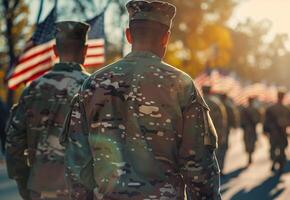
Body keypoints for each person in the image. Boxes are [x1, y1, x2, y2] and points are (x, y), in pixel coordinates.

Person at [61, 1, 221, 199]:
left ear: (128, 35)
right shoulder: (181, 85)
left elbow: (77, 162)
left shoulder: (93, 84)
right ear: (166, 38)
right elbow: (199, 167)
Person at [6, 21, 90, 200]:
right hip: (83, 190)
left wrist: (24, 183)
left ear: (55, 50)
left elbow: (14, 141)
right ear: (85, 50)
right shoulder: (94, 88)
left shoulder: (33, 89)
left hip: (41, 188)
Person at [263, 90, 290, 173]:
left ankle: (276, 163)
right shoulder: (286, 109)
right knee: (281, 149)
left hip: (274, 133)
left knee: (274, 149)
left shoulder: (271, 108)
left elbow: (266, 121)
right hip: (281, 133)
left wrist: (265, 130)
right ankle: (279, 164)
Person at [202, 87, 228, 174]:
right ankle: (217, 170)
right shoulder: (216, 103)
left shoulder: (196, 102)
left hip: (199, 133)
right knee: (217, 152)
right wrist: (221, 134)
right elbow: (221, 120)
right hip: (214, 132)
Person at [240, 97, 261, 165]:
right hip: (252, 129)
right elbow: (258, 119)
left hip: (247, 129)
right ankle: (250, 155)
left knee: (247, 141)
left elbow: (241, 120)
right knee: (252, 142)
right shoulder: (255, 109)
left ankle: (249, 155)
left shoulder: (244, 109)